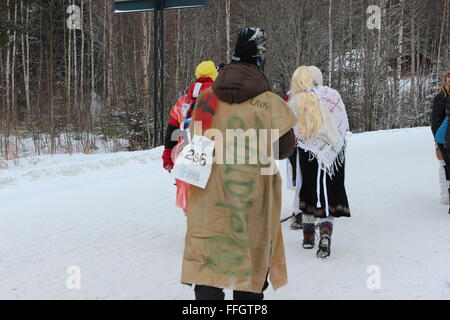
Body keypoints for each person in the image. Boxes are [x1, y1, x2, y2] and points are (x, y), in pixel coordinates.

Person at [180, 27, 297, 300]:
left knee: (209, 265)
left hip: (211, 196)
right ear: (260, 61)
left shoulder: (206, 99)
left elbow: (195, 140)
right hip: (252, 198)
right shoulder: (270, 103)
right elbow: (284, 149)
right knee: (251, 264)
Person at [287, 66, 350, 258]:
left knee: (308, 189)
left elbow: (292, 127)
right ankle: (325, 233)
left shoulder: (297, 97)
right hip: (333, 151)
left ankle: (307, 236)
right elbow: (342, 122)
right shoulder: (332, 94)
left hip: (308, 151)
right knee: (329, 191)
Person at [162, 61, 218, 213]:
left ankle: (194, 230)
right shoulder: (220, 99)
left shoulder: (183, 101)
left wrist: (167, 155)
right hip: (211, 154)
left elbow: (172, 129)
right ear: (214, 76)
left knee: (189, 197)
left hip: (184, 154)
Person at [433, 70, 450, 213]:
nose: (449, 80)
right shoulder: (440, 97)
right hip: (442, 138)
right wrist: (437, 139)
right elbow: (435, 120)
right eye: (448, 77)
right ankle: (445, 196)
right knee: (443, 166)